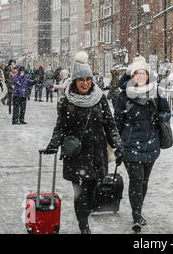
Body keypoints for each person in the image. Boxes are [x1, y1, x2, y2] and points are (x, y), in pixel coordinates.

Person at [44, 51, 124, 234]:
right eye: (82, 80)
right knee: (80, 194)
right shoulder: (67, 102)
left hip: (97, 154)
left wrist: (118, 146)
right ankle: (83, 226)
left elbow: (110, 124)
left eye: (88, 79)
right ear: (75, 81)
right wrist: (54, 144)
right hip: (77, 156)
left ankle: (86, 214)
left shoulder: (100, 99)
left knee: (94, 191)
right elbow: (60, 127)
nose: (86, 83)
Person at [113, 56, 171, 233]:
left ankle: (138, 208)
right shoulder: (123, 96)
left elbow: (166, 112)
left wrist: (160, 118)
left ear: (147, 75)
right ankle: (136, 215)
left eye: (143, 73)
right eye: (137, 73)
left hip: (151, 144)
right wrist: (116, 144)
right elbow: (117, 121)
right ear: (132, 75)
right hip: (130, 144)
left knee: (144, 181)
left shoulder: (157, 93)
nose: (140, 76)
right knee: (136, 180)